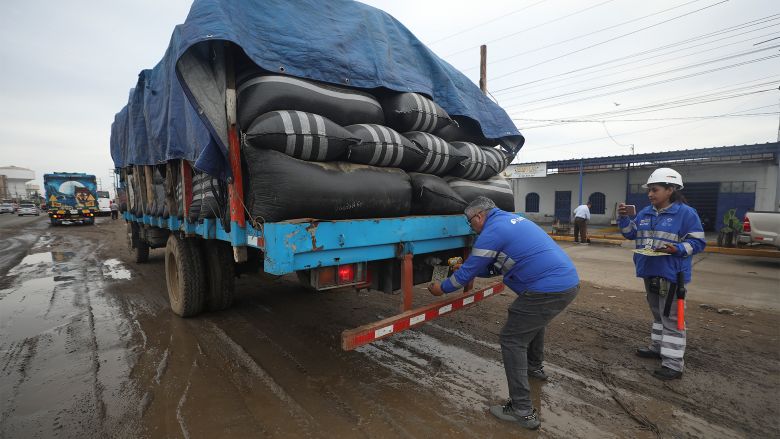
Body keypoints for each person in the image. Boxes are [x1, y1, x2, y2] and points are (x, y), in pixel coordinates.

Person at [427, 197, 579, 431]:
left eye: (470, 223)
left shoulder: (492, 231)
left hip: (547, 288)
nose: (471, 228)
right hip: (566, 283)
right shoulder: (511, 220)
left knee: (512, 339)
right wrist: (470, 267)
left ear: (478, 216)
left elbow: (463, 277)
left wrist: (442, 288)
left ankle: (522, 411)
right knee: (532, 322)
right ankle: (534, 367)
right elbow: (496, 265)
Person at [617, 167, 705, 381]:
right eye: (649, 190)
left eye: (654, 190)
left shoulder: (686, 213)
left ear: (671, 189)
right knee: (658, 315)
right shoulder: (646, 212)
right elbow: (630, 235)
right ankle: (657, 348)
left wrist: (678, 249)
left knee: (673, 319)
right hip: (649, 271)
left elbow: (699, 242)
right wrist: (623, 219)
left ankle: (674, 365)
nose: (650, 194)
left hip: (672, 274)